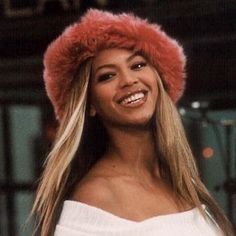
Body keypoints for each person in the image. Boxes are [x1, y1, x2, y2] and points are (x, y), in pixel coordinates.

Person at [31, 9, 234, 236]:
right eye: (107, 76)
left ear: (158, 79)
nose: (129, 80)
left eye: (137, 65)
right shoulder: (96, 195)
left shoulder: (182, 182)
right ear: (90, 104)